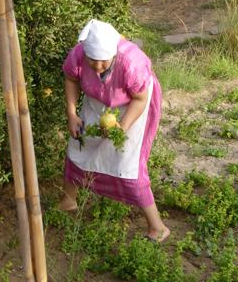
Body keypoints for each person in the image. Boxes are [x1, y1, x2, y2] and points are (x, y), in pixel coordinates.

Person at [59, 19, 170, 243]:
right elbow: (71, 78)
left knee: (127, 165)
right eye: (92, 59)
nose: (97, 66)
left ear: (114, 54)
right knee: (77, 148)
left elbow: (140, 99)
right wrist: (72, 114)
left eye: (103, 60)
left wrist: (123, 127)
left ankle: (158, 228)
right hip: (97, 102)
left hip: (132, 106)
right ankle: (68, 201)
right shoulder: (78, 55)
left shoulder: (131, 64)